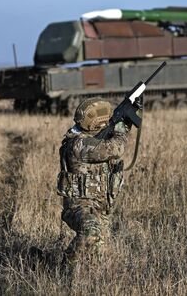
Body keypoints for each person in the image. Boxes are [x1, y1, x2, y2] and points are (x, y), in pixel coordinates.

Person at [56, 97, 138, 263]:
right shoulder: (78, 145)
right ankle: (63, 265)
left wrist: (129, 114)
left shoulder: (96, 138)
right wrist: (121, 127)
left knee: (99, 255)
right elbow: (116, 148)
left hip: (100, 206)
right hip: (79, 207)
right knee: (91, 233)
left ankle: (73, 268)